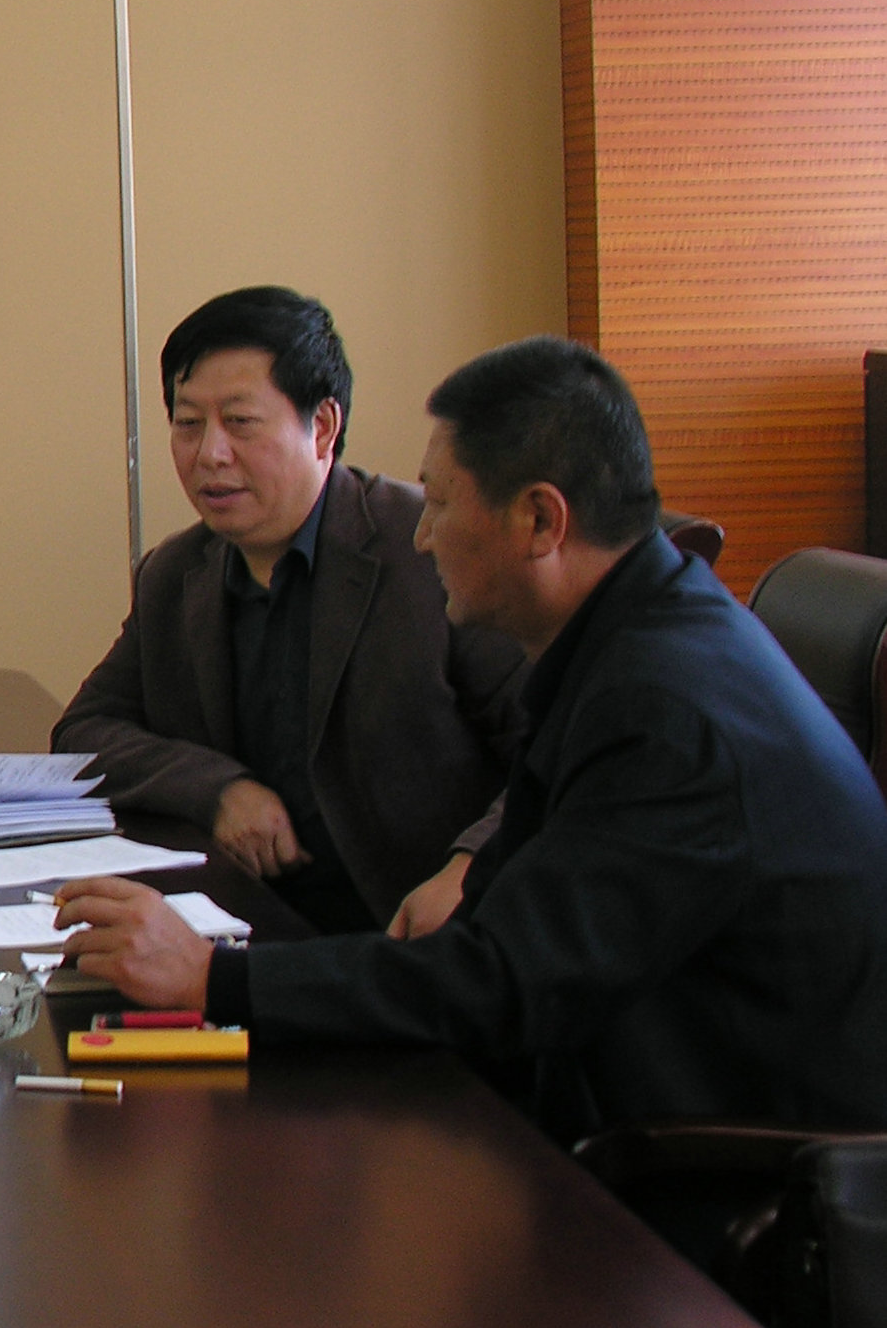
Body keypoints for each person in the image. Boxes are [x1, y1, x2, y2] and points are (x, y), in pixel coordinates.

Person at [58, 337, 887, 1155]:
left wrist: (212, 976)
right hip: (613, 1081)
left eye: (441, 504)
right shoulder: (638, 631)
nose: (422, 537)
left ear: (540, 520)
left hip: (721, 1168)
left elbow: (505, 984)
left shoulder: (665, 711)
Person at [54, 287, 531, 936]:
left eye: (240, 422)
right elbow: (84, 730)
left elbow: (561, 750)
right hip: (240, 927)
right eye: (188, 424)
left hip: (413, 938)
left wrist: (471, 868)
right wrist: (216, 788)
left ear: (323, 427)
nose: (209, 453)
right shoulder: (175, 574)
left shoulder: (431, 551)